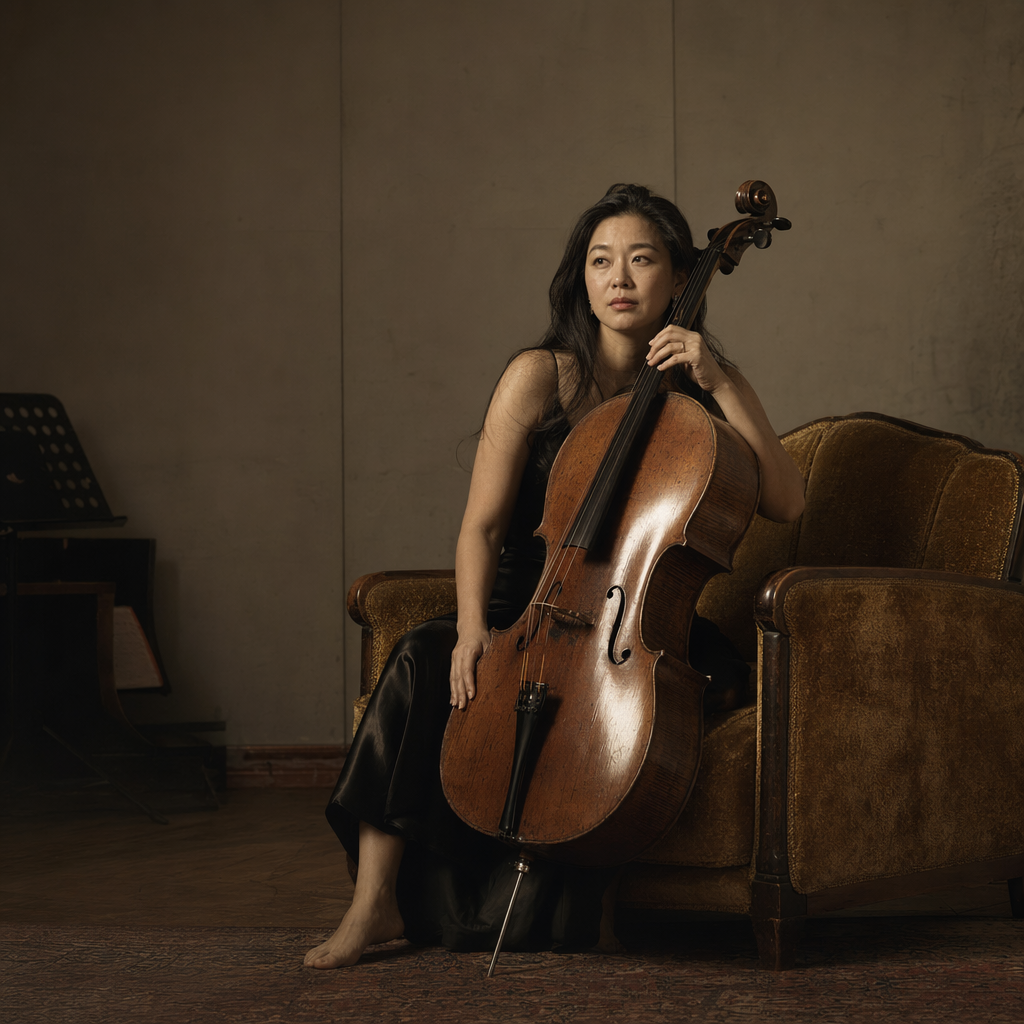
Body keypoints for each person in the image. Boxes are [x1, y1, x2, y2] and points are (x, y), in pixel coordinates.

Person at [305, 184, 806, 969]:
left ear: (680, 278)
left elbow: (786, 496)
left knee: (709, 687)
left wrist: (721, 380)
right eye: (601, 261)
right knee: (416, 659)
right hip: (522, 602)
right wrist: (473, 627)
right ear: (581, 278)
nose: (619, 278)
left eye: (642, 260)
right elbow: (482, 528)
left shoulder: (694, 387)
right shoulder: (541, 376)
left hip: (631, 614)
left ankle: (592, 887)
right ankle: (373, 905)